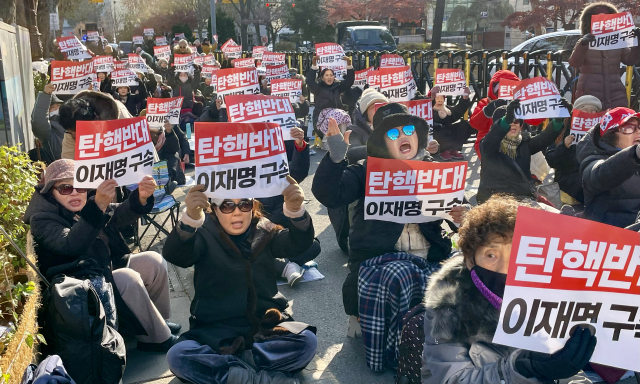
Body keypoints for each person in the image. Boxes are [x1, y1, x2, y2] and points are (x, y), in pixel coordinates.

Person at [421, 195, 596, 384]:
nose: (505, 267)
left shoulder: (545, 296)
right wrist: (520, 367)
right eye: (491, 255)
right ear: (470, 260)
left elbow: (569, 374)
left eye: (517, 253)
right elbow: (454, 378)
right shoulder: (449, 305)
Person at [312, 103, 463, 317]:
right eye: (393, 133)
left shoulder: (435, 171)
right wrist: (335, 159)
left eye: (408, 130)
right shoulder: (367, 170)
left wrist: (462, 217)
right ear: (383, 141)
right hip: (384, 263)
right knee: (402, 274)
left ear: (417, 136)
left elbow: (466, 216)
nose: (403, 136)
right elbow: (329, 195)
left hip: (431, 257)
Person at [163, 179, 317, 384]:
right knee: (178, 356)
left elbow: (298, 244)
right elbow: (177, 255)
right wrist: (189, 219)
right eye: (227, 205)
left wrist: (296, 211)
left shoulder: (266, 230)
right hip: (214, 333)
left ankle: (233, 373)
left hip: (264, 328)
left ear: (252, 207)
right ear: (214, 209)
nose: (236, 212)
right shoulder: (204, 234)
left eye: (244, 204)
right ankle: (262, 378)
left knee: (307, 341)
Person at [24, 159, 180, 352]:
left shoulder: (84, 206)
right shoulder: (42, 218)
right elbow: (70, 244)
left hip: (103, 268)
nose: (74, 192)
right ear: (51, 192)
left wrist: (141, 197)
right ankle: (158, 338)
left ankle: (156, 323)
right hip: (80, 288)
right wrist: (97, 207)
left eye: (80, 186)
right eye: (65, 188)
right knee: (127, 278)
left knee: (153, 261)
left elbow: (120, 214)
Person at [257, 127, 319, 287]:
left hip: (278, 230)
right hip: (252, 230)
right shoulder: (236, 176)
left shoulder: (277, 168)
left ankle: (273, 263)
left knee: (313, 246)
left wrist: (300, 145)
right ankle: (284, 267)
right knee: (243, 251)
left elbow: (297, 172)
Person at [476, 99, 568, 204]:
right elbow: (492, 138)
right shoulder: (488, 146)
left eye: (516, 121)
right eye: (509, 121)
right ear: (496, 125)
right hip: (494, 201)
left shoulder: (524, 144)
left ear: (521, 125)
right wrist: (506, 119)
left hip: (523, 199)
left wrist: (559, 119)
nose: (513, 124)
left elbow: (544, 138)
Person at [568, 2, 640, 109]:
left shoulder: (618, 41)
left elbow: (629, 60)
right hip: (589, 94)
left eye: (606, 18)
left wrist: (637, 43)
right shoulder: (584, 42)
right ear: (589, 21)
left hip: (615, 93)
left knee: (615, 123)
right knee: (590, 123)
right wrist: (583, 45)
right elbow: (574, 63)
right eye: (598, 18)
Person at [577, 107, 640, 228]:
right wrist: (634, 154)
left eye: (639, 127)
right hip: (607, 241)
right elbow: (599, 175)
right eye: (629, 127)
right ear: (611, 135)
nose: (638, 132)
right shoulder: (592, 160)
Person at [469, 70, 545, 158]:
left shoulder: (518, 104)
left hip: (514, 141)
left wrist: (545, 107)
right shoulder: (486, 103)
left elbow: (535, 120)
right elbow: (475, 124)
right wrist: (487, 111)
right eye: (498, 92)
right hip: (488, 143)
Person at [545, 95, 601, 205]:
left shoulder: (602, 133)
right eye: (584, 109)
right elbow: (551, 160)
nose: (589, 113)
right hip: (569, 180)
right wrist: (563, 146)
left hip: (593, 177)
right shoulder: (563, 129)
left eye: (593, 110)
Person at [58, 90, 133, 159]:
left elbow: (133, 148)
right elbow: (68, 157)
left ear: (93, 120)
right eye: (72, 132)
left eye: (77, 131)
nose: (75, 135)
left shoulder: (121, 117)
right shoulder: (71, 125)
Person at [306, 56, 355, 136]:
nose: (329, 77)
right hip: (321, 117)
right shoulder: (318, 88)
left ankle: (342, 142)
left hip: (338, 116)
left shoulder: (338, 87)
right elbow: (310, 81)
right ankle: (329, 142)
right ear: (322, 78)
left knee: (343, 117)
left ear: (334, 77)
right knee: (334, 118)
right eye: (327, 75)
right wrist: (314, 65)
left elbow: (349, 81)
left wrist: (349, 65)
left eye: (331, 75)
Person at [346, 88, 389, 164]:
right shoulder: (354, 130)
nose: (379, 110)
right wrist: (382, 149)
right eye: (373, 107)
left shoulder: (398, 126)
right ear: (365, 113)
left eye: (383, 106)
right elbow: (352, 151)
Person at [429, 85, 472, 161]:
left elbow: (458, 111)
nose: (439, 100)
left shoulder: (447, 110)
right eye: (437, 98)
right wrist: (430, 99)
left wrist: (464, 99)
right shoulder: (428, 110)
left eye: (441, 98)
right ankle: (443, 151)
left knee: (464, 125)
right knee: (438, 129)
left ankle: (453, 150)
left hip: (448, 134)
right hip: (436, 136)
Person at [31, 83, 65, 163]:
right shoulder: (48, 131)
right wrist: (45, 95)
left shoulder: (68, 122)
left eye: (59, 105)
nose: (57, 109)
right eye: (52, 107)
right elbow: (39, 121)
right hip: (59, 169)